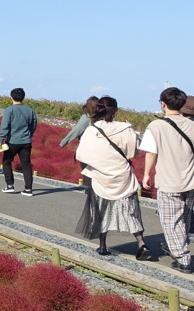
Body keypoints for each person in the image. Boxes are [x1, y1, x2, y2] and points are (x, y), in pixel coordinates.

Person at [74, 96, 150, 259]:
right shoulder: (125, 128)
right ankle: (141, 244)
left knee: (101, 212)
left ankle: (102, 246)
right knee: (131, 212)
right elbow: (135, 151)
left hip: (100, 178)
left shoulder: (92, 130)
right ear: (115, 110)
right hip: (122, 176)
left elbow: (82, 155)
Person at [140, 87, 194, 274]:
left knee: (171, 222)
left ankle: (183, 259)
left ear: (163, 104)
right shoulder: (192, 125)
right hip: (191, 181)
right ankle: (182, 251)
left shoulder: (156, 126)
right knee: (184, 221)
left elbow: (151, 152)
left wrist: (147, 174)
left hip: (169, 182)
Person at [0, 87, 38, 196]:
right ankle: (28, 189)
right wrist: (29, 134)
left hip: (12, 141)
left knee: (7, 161)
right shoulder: (30, 110)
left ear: (11, 97)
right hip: (26, 141)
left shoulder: (9, 110)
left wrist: (1, 140)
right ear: (23, 97)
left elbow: (4, 126)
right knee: (26, 164)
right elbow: (33, 125)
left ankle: (10, 185)